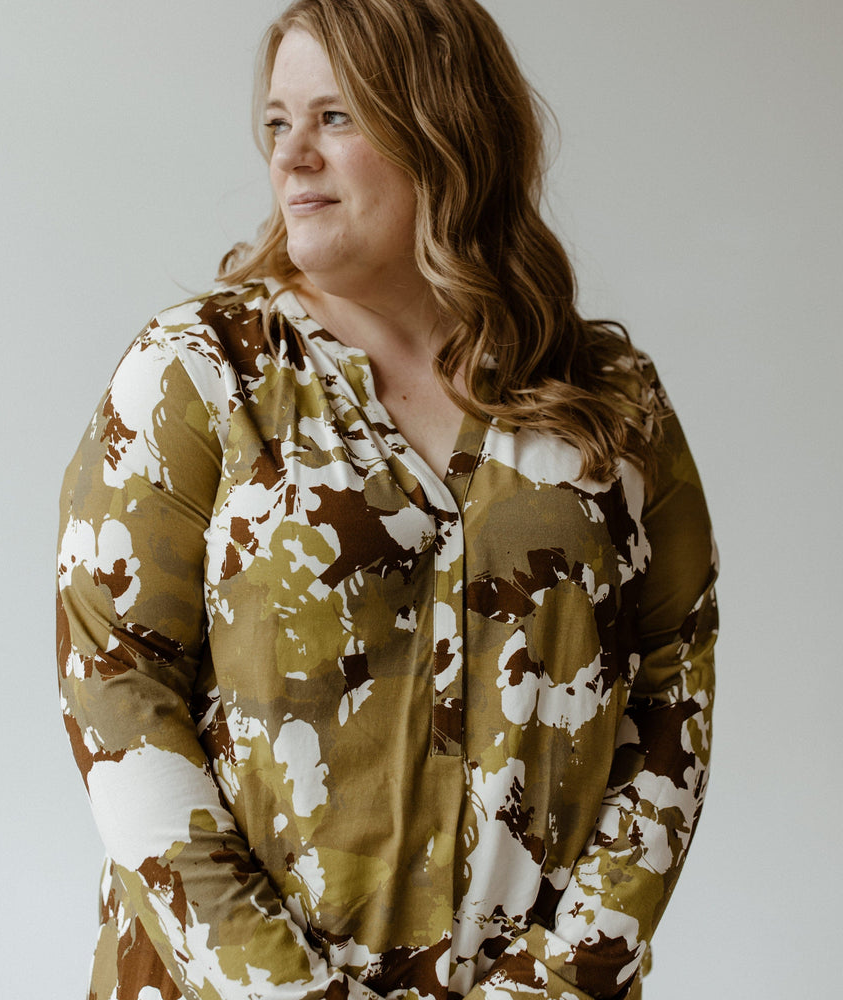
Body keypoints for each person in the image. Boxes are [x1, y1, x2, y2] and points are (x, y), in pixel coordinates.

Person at [56, 1, 717, 998]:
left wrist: (563, 978)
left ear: (447, 129)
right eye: (278, 121)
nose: (291, 157)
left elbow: (673, 683)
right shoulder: (199, 375)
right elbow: (116, 693)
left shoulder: (608, 401)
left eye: (336, 118)